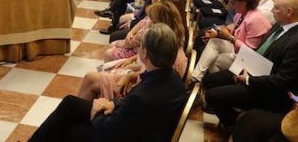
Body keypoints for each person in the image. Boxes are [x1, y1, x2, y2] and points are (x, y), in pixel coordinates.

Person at [29, 23, 186, 142]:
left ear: (145, 53)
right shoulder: (173, 79)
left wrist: (98, 110)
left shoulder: (143, 97)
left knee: (71, 129)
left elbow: (109, 130)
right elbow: (131, 111)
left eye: (140, 48)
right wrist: (112, 104)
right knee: (70, 104)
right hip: (139, 126)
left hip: (123, 133)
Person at [202, 0, 298, 127]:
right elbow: (263, 52)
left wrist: (248, 80)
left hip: (269, 91)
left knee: (212, 95)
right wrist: (245, 67)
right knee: (208, 80)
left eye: (276, 8)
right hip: (255, 70)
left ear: (289, 12)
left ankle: (235, 125)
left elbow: (283, 81)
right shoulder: (279, 25)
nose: (272, 11)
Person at [78, 0, 188, 102]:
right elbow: (150, 72)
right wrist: (130, 67)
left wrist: (129, 75)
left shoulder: (169, 53)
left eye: (152, 21)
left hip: (135, 89)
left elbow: (152, 84)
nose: (148, 24)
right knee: (101, 72)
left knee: (90, 79)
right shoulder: (168, 43)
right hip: (136, 77)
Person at [192, 0, 271, 82]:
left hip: (250, 60)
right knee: (213, 42)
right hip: (237, 50)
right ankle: (196, 78)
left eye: (234, 3)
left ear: (244, 2)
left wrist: (230, 37)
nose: (232, 6)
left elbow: (249, 52)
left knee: (213, 60)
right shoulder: (242, 12)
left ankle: (205, 83)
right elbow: (234, 27)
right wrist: (218, 32)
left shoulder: (255, 20)